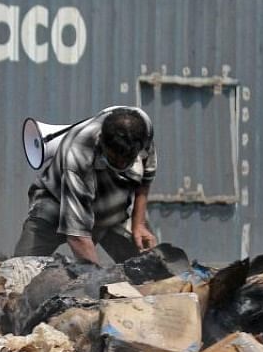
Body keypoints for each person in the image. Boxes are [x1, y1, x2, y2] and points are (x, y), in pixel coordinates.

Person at [13, 106, 159, 265]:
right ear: (102, 142)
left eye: (126, 159)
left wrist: (139, 224)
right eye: (114, 158)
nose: (121, 163)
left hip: (109, 199)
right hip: (55, 199)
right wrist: (97, 281)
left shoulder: (143, 130)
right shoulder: (77, 154)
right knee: (21, 269)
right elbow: (77, 237)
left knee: (146, 266)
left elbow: (145, 180)